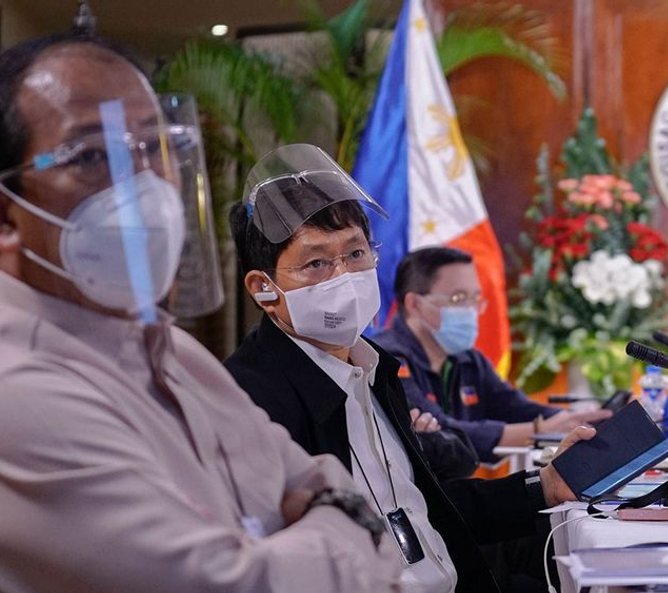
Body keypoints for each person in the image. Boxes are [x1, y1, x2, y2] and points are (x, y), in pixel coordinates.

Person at [0, 33, 406, 593]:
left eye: (154, 149)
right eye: (93, 155)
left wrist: (313, 519)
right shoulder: (20, 391)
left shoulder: (172, 350)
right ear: (6, 214)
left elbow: (324, 486)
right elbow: (227, 584)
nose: (142, 183)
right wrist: (341, 526)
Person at [224, 145, 594, 593]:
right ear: (264, 288)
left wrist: (546, 485)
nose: (343, 275)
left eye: (356, 253)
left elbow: (419, 507)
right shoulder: (250, 397)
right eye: (317, 263)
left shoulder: (375, 369)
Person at [373, 247, 613, 462]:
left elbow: (514, 407)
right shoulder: (385, 359)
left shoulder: (468, 359)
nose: (471, 310)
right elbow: (443, 430)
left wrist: (579, 421)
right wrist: (539, 429)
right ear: (415, 304)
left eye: (475, 298)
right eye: (458, 298)